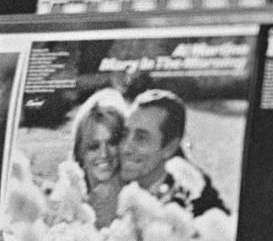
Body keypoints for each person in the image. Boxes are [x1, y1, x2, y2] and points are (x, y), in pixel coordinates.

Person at [120, 89, 229, 219]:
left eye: (141, 138)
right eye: (124, 134)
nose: (125, 148)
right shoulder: (109, 179)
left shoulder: (198, 199)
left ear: (170, 148)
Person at [67, 87, 131, 228]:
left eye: (112, 143)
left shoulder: (119, 198)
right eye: (93, 146)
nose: (104, 154)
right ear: (80, 152)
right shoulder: (71, 194)